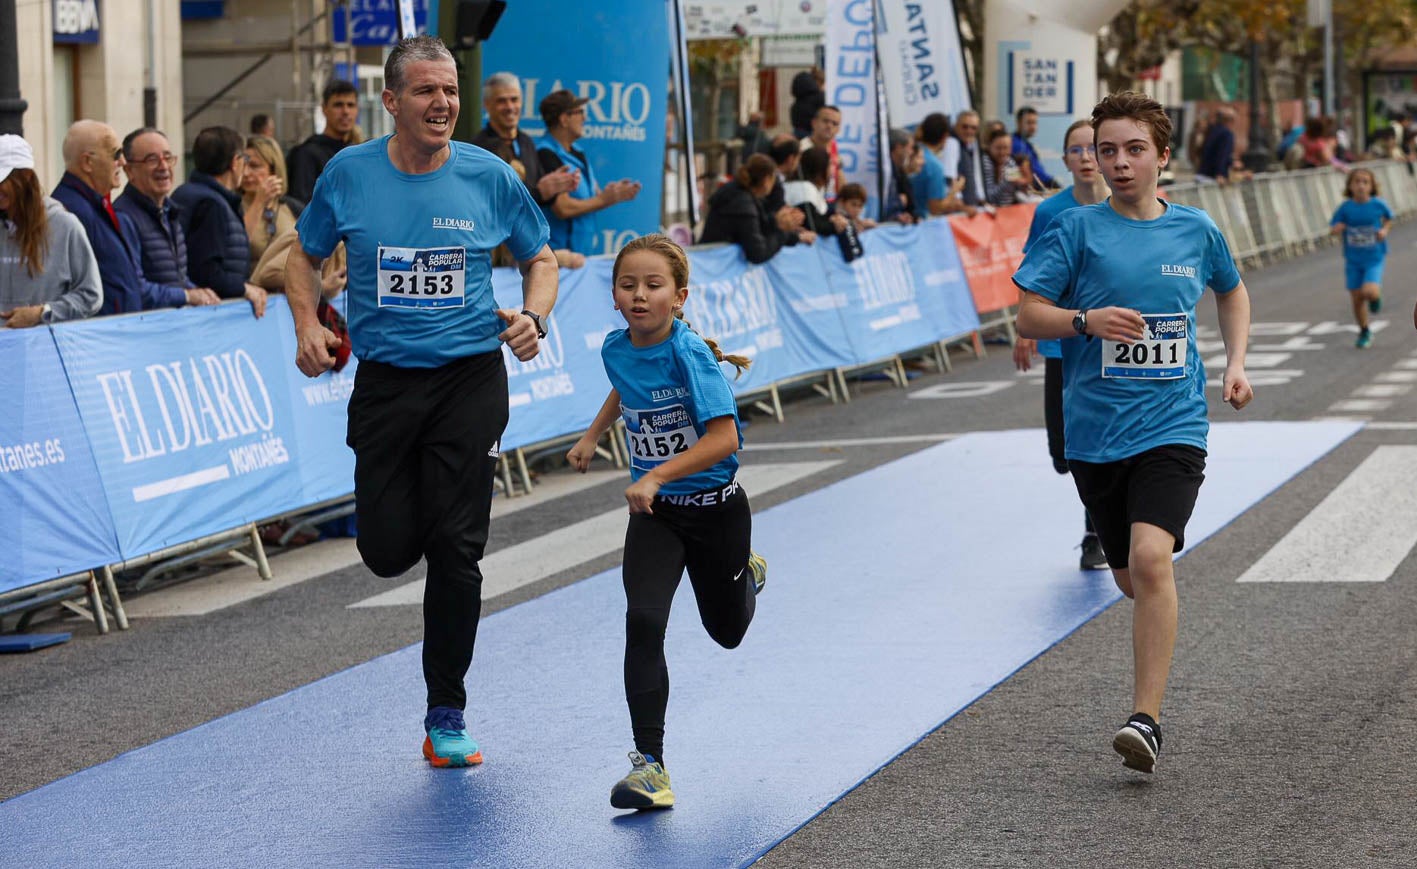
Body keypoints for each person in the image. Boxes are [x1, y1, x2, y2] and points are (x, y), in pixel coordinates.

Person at [287, 35, 558, 768]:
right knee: (384, 551)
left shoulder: (489, 175)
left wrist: (533, 315)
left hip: (470, 377)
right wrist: (308, 322)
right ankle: (404, 548)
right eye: (425, 92)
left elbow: (539, 254)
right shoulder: (348, 174)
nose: (442, 104)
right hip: (386, 383)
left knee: (457, 547)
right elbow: (302, 257)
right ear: (391, 101)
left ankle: (446, 710)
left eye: (450, 92)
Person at [1013, 91, 1254, 775]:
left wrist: (1234, 364)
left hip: (1174, 422)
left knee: (1151, 561)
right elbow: (1029, 315)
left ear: (1161, 156)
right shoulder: (1074, 230)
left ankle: (1144, 718)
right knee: (1130, 575)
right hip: (1096, 432)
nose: (1116, 162)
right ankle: (1157, 607)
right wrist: (1085, 321)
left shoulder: (1195, 231)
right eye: (1105, 150)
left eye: (1132, 150)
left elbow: (1230, 290)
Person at [565, 233, 767, 811]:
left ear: (679, 297)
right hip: (656, 518)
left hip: (717, 512)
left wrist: (655, 473)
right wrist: (593, 433)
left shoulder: (691, 356)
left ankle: (746, 573)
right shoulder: (615, 347)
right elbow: (626, 386)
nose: (639, 295)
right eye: (627, 284)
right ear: (613, 295)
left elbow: (724, 439)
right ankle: (651, 768)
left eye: (653, 286)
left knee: (727, 633)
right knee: (643, 620)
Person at [1011, 119, 1112, 571]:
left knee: (1099, 440)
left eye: (1094, 149)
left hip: (1109, 347)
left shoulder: (1125, 207)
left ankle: (1096, 532)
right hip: (1061, 343)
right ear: (1066, 159)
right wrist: (1022, 331)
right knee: (1064, 454)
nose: (1087, 158)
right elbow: (1033, 274)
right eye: (1077, 151)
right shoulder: (1051, 212)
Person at [52, 120, 184, 315]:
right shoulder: (71, 212)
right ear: (88, 162)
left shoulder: (96, 207)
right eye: (115, 154)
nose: (122, 162)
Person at [113, 127, 221, 309]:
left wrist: (202, 294)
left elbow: (176, 278)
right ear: (129, 171)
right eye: (152, 160)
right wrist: (187, 295)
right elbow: (135, 289)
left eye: (168, 158)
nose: (163, 167)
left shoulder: (170, 212)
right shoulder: (123, 218)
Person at [0, 135, 102, 326]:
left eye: (2, 180)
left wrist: (42, 313)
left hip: (44, 351)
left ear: (26, 177)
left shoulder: (65, 225)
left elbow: (91, 295)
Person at [171, 126, 268, 318]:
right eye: (245, 160)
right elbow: (206, 271)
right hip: (209, 315)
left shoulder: (187, 194)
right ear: (235, 162)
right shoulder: (211, 205)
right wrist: (243, 289)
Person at [536, 89, 641, 255]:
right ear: (564, 119)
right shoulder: (545, 154)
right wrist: (604, 199)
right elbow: (562, 208)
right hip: (559, 258)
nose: (585, 118)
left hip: (582, 255)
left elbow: (595, 197)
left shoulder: (577, 152)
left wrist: (614, 194)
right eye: (580, 112)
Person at [470, 72, 579, 209]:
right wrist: (540, 192)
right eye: (502, 101)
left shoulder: (526, 142)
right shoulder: (479, 149)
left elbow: (538, 195)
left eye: (514, 100)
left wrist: (555, 187)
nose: (510, 107)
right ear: (487, 105)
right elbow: (489, 200)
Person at [698, 154, 814, 263]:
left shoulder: (742, 195)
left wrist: (786, 229)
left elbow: (760, 226)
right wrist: (781, 231)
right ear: (767, 180)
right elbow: (757, 253)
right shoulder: (742, 203)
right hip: (714, 262)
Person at [1330, 167, 1392, 349]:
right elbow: (1333, 228)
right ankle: (1364, 331)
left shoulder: (1378, 204)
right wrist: (1337, 229)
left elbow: (1389, 218)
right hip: (1353, 259)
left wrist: (1384, 230)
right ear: (1350, 185)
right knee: (1357, 299)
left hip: (1374, 256)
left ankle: (1375, 298)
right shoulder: (1345, 208)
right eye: (1356, 182)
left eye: (1365, 182)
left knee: (1370, 292)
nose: (1361, 186)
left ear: (1372, 186)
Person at [287, 79, 359, 204]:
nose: (346, 112)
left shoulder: (358, 152)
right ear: (324, 109)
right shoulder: (306, 155)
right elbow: (300, 205)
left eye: (350, 105)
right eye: (338, 105)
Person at [241, 135, 306, 271]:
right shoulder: (233, 206)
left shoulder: (291, 207)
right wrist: (258, 202)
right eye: (243, 165)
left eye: (254, 166)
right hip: (251, 286)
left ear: (273, 169)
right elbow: (237, 246)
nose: (246, 173)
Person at [914, 113, 969, 218]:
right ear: (945, 137)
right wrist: (955, 190)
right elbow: (935, 208)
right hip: (922, 222)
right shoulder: (935, 166)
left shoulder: (913, 155)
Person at [782, 147, 846, 238]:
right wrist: (834, 226)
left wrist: (835, 218)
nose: (832, 170)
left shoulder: (813, 187)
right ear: (820, 169)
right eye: (829, 165)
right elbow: (812, 225)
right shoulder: (804, 188)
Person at [798, 104, 845, 201]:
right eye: (825, 121)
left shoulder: (833, 148)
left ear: (839, 129)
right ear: (814, 123)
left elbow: (842, 190)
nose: (829, 126)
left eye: (835, 123)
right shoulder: (801, 149)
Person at [982, 127, 1034, 206]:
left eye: (1006, 148)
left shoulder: (1009, 161)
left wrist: (1024, 182)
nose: (1002, 152)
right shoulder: (985, 162)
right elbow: (990, 198)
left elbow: (1015, 191)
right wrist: (1008, 182)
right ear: (990, 146)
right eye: (998, 148)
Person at [1012, 106, 1058, 189]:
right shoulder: (1017, 145)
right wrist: (1052, 184)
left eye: (1035, 123)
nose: (1033, 127)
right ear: (1018, 123)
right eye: (1029, 123)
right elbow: (1035, 173)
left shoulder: (1026, 144)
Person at [882, 128, 919, 224]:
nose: (911, 153)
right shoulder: (885, 171)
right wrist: (899, 202)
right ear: (898, 147)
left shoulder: (899, 172)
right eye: (910, 148)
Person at [955, 111, 987, 207]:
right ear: (956, 126)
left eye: (973, 128)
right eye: (965, 127)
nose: (969, 131)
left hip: (973, 205)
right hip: (959, 207)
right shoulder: (951, 145)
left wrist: (981, 198)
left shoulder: (975, 145)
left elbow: (977, 175)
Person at [1196, 107, 1236, 184]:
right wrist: (1220, 173)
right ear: (1230, 120)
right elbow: (1223, 154)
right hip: (1212, 178)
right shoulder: (1227, 134)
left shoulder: (1211, 130)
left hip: (1202, 174)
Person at [789, 68, 825, 139]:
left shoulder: (800, 95)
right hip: (813, 134)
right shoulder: (820, 97)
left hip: (797, 133)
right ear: (819, 82)